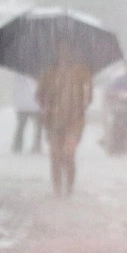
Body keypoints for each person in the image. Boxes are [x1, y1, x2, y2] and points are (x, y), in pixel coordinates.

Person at [37, 49, 95, 197]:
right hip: (53, 122)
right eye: (61, 50)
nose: (64, 54)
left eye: (68, 50)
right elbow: (39, 95)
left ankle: (68, 190)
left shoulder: (82, 72)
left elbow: (89, 96)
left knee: (69, 156)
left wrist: (80, 105)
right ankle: (57, 190)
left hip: (74, 122)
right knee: (55, 157)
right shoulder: (49, 73)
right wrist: (48, 106)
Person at [11, 73, 44, 153]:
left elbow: (16, 89)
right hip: (35, 104)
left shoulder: (19, 74)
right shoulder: (38, 72)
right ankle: (37, 146)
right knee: (38, 127)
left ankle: (17, 146)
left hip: (23, 104)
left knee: (21, 126)